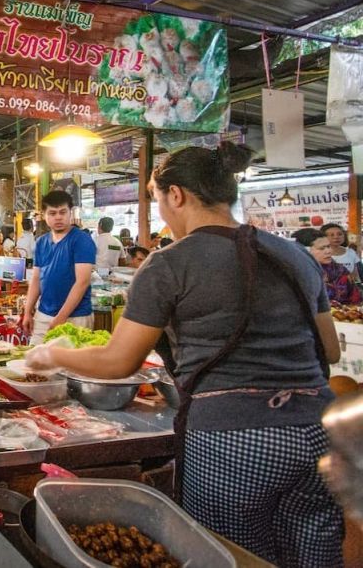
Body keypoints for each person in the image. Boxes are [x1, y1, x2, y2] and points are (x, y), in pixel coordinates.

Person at [26, 143, 344, 567]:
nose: (160, 209)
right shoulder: (296, 255)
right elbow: (331, 350)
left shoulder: (168, 264)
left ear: (176, 195)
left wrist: (50, 356)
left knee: (230, 555)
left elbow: (119, 362)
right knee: (313, 556)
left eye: (156, 197)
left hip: (233, 437)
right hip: (320, 430)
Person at [22, 191, 96, 343]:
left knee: (73, 365)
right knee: (36, 363)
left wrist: (61, 317)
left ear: (71, 212)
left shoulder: (81, 240)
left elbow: (82, 282)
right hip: (43, 314)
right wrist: (27, 312)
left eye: (63, 212)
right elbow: (36, 279)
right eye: (52, 213)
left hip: (76, 317)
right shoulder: (41, 242)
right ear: (44, 215)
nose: (58, 217)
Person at [295, 228, 362, 306]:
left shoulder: (341, 270)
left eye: (328, 246)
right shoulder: (296, 274)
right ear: (304, 250)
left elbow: (356, 299)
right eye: (322, 248)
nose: (329, 251)